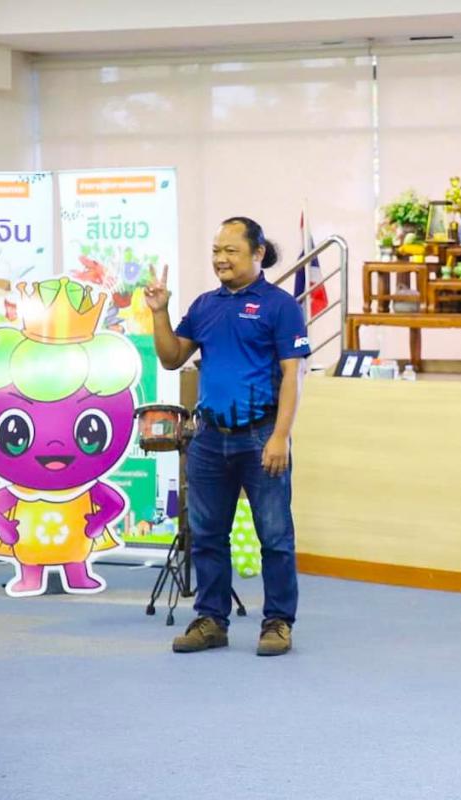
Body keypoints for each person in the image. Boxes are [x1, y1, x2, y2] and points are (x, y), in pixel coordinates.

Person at [144, 216, 310, 656]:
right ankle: (211, 621)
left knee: (275, 537)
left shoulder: (280, 306)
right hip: (208, 440)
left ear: (258, 253)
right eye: (216, 250)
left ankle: (278, 622)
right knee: (207, 535)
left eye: (231, 250)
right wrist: (159, 312)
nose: (221, 258)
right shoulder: (205, 305)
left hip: (261, 437)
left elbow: (293, 376)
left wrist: (281, 436)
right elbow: (171, 358)